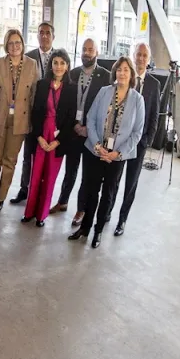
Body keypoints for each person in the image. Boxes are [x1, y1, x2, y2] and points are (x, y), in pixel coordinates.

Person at [68, 56, 144, 249]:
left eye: (126, 70)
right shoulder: (104, 92)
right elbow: (91, 118)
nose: (122, 73)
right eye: (119, 69)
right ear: (115, 72)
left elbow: (137, 133)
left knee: (108, 194)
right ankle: (84, 228)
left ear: (131, 74)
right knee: (91, 191)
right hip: (95, 151)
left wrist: (117, 153)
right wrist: (96, 146)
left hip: (116, 157)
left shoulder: (138, 100)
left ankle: (98, 231)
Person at [49, 38, 110, 224]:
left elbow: (105, 108)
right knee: (70, 170)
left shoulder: (105, 76)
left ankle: (81, 210)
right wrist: (73, 125)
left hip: (92, 133)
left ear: (97, 52)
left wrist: (88, 128)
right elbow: (67, 102)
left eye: (90, 49)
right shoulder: (73, 73)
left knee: (87, 174)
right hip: (73, 130)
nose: (87, 52)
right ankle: (63, 201)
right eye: (84, 49)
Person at [0, 29, 38, 212]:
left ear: (22, 45)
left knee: (10, 161)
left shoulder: (32, 65)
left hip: (20, 122)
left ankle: (1, 198)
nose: (15, 46)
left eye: (18, 43)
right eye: (11, 43)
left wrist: (33, 123)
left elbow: (34, 96)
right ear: (6, 45)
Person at [109, 42, 160, 236]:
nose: (140, 59)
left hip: (139, 144)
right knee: (114, 179)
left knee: (131, 183)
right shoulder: (125, 79)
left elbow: (155, 115)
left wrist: (147, 140)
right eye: (138, 55)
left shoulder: (154, 85)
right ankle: (107, 213)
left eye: (144, 56)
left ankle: (122, 220)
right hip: (120, 141)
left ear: (148, 59)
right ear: (133, 55)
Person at [22, 50, 77, 227]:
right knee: (35, 175)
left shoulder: (72, 89)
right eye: (55, 62)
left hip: (58, 139)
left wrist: (57, 141)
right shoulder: (42, 85)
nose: (59, 66)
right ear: (50, 65)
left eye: (62, 63)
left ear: (67, 66)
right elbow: (36, 112)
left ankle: (41, 215)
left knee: (50, 177)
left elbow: (70, 119)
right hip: (40, 135)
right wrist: (39, 137)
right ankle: (29, 212)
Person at [12, 21, 56, 204]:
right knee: (28, 155)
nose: (44, 36)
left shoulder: (60, 58)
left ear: (53, 36)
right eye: (41, 32)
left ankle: (40, 192)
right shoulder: (28, 57)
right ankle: (24, 189)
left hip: (51, 118)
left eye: (47, 33)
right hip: (31, 115)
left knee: (46, 158)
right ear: (37, 35)